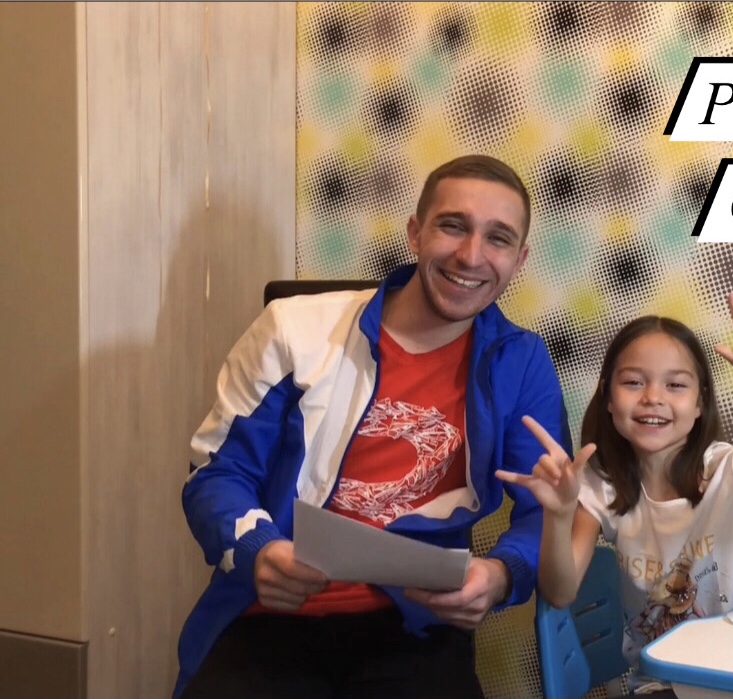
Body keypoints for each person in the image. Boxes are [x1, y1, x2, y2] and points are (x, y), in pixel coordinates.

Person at [175, 155, 570, 699]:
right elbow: (216, 474)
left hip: (415, 623)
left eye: (497, 238)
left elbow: (546, 509)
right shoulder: (294, 328)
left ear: (519, 259)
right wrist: (258, 549)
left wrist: (503, 574)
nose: (471, 255)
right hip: (273, 612)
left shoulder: (520, 361)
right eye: (453, 226)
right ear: (415, 233)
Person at [497, 294, 733, 692]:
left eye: (676, 385)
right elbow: (560, 593)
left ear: (699, 403)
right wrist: (558, 516)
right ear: (608, 398)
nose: (653, 397)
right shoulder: (599, 486)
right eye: (633, 382)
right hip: (660, 686)